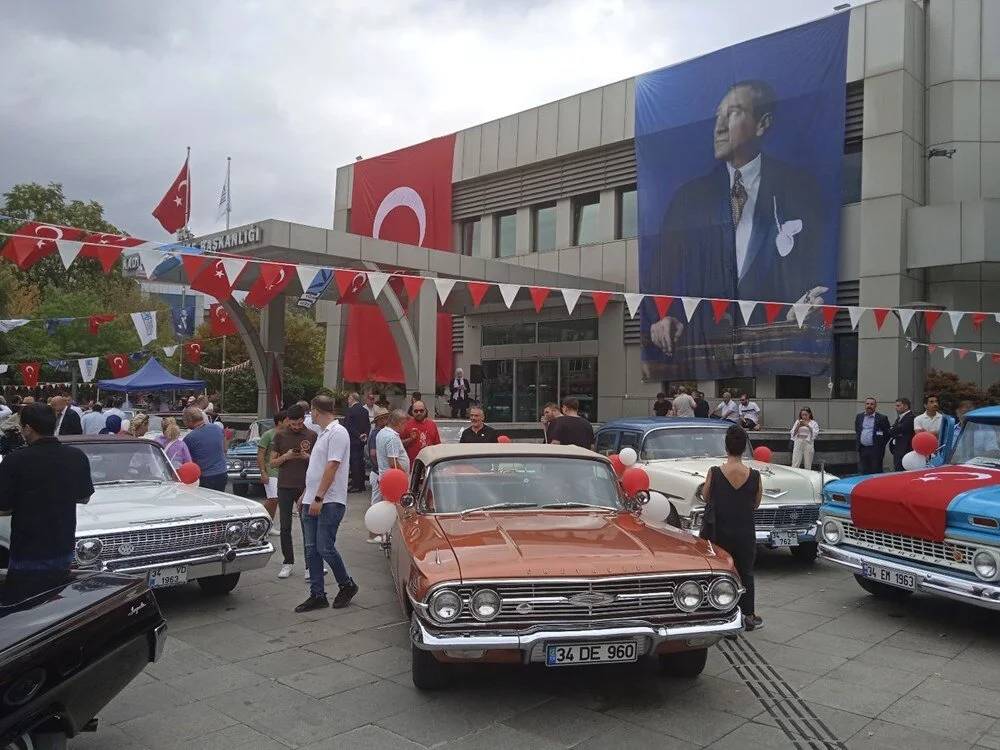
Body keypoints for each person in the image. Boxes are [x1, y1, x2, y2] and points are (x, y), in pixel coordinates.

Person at [646, 79, 827, 377]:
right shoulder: (689, 198)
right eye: (717, 116)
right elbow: (661, 271)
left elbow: (813, 265)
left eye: (733, 113)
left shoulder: (799, 188)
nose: (718, 126)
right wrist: (664, 316)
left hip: (774, 349)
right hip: (703, 350)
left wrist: (803, 305)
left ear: (762, 124)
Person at [0, 403, 94, 573]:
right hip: (62, 544)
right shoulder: (76, 456)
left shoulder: (14, 460)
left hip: (27, 549)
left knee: (27, 597)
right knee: (57, 595)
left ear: (28, 428)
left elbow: (3, 507)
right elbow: (84, 497)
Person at [295, 395, 359, 612]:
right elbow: (317, 468)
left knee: (324, 547)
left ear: (315, 410)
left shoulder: (337, 432)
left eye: (311, 411)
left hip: (329, 500)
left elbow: (332, 466)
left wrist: (319, 497)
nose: (309, 415)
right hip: (314, 498)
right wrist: (306, 494)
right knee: (311, 549)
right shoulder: (323, 433)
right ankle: (317, 594)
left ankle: (346, 584)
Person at [699, 425, 763, 631]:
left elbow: (707, 496)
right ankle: (748, 614)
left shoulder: (715, 472)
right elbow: (756, 504)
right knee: (746, 572)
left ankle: (722, 611)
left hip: (719, 529)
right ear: (744, 448)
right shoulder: (754, 475)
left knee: (720, 572)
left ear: (726, 447)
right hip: (744, 529)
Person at [269, 404, 318, 579]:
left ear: (303, 419)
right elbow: (272, 463)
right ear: (288, 420)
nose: (296, 427)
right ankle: (287, 562)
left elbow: (320, 463)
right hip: (284, 485)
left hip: (305, 486)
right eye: (293, 424)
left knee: (308, 526)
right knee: (285, 526)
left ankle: (309, 564)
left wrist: (307, 457)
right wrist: (287, 456)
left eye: (299, 423)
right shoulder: (280, 435)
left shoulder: (312, 435)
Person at [371, 409, 409, 543]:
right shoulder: (392, 437)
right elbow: (393, 461)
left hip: (385, 478)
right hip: (394, 481)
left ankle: (385, 537)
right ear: (400, 423)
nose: (406, 427)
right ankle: (389, 539)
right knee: (394, 510)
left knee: (387, 508)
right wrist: (405, 477)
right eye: (405, 424)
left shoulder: (382, 432)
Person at [182, 406, 228, 491]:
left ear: (190, 421)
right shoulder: (217, 428)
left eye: (184, 420)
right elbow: (225, 449)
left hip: (205, 477)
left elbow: (186, 460)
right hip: (222, 472)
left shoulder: (189, 438)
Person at [257, 411, 285, 534]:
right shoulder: (268, 435)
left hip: (283, 471)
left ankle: (267, 524)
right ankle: (258, 516)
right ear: (280, 422)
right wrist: (263, 472)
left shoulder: (288, 435)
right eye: (288, 420)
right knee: (273, 498)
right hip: (271, 471)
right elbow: (261, 454)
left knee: (275, 500)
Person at [343, 392, 370, 493]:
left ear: (352, 398)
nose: (348, 400)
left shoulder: (350, 411)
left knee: (354, 462)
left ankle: (356, 484)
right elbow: (368, 425)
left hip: (353, 440)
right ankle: (361, 483)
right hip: (361, 440)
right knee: (360, 462)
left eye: (349, 398)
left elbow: (348, 426)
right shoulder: (365, 410)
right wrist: (365, 435)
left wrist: (358, 435)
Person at [855, 397, 890, 474]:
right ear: (865, 405)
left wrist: (881, 445)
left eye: (872, 404)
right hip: (863, 449)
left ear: (875, 406)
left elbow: (887, 434)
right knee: (863, 471)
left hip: (876, 450)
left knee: (876, 471)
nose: (869, 406)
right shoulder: (859, 417)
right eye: (867, 404)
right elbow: (858, 430)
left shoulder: (882, 418)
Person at [888, 397, 915, 471]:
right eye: (896, 406)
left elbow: (896, 430)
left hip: (904, 451)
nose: (896, 408)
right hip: (898, 450)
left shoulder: (910, 417)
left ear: (906, 406)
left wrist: (893, 429)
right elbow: (893, 430)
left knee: (902, 472)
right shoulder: (900, 418)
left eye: (898, 406)